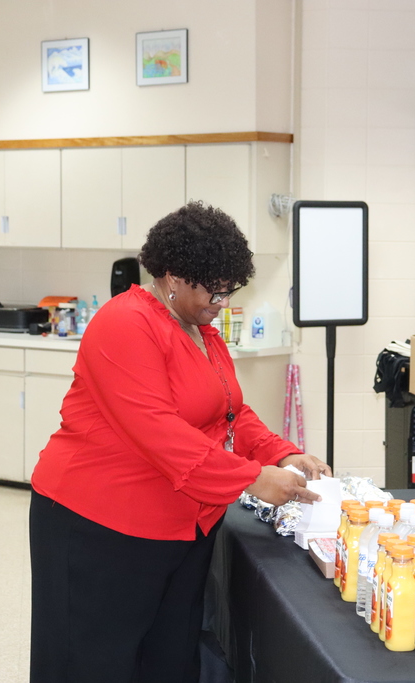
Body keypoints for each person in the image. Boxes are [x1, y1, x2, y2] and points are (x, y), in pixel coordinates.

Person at [29, 201, 331, 682]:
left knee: (167, 660)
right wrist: (252, 478)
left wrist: (280, 452)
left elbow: (229, 410)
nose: (224, 301)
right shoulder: (124, 323)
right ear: (173, 276)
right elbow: (160, 432)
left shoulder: (200, 330)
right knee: (92, 662)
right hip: (99, 525)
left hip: (178, 527)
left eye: (231, 288)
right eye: (215, 288)